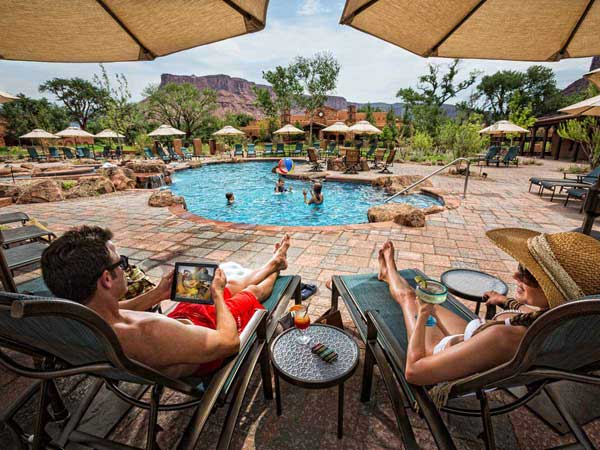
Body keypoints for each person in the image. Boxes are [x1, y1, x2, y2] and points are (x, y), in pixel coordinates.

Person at [41, 226, 291, 378]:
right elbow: (228, 343)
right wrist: (216, 296)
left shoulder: (77, 318)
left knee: (227, 284)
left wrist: (158, 294)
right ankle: (277, 267)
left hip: (180, 329)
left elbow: (119, 310)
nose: (126, 269)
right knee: (252, 292)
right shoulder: (147, 332)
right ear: (106, 278)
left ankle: (270, 263)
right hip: (204, 341)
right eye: (122, 263)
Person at [375, 229, 600, 386]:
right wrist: (506, 302)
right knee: (420, 298)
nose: (515, 275)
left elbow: (413, 371)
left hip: (445, 354)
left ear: (556, 292)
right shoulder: (563, 323)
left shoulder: (503, 336)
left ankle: (388, 273)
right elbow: (530, 314)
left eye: (528, 274)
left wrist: (424, 316)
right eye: (522, 266)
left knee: (410, 298)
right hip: (475, 339)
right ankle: (390, 274)